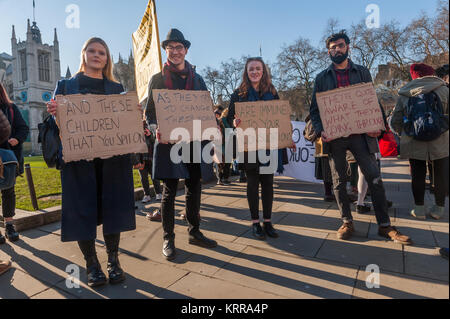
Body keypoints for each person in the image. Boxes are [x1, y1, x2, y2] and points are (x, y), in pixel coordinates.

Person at [46, 37, 136, 287]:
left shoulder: (117, 89)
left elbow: (124, 123)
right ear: (83, 54)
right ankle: (91, 264)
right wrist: (54, 113)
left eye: (102, 52)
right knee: (82, 210)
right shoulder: (64, 85)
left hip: (112, 161)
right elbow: (59, 126)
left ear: (106, 59)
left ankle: (113, 261)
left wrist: (134, 115)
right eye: (92, 51)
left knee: (112, 210)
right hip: (79, 160)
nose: (97, 55)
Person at [309, 30, 412, 244]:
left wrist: (379, 126)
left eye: (339, 45)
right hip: (335, 137)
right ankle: (347, 221)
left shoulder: (362, 72)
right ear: (328, 51)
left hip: (361, 136)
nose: (336, 49)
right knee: (339, 182)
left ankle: (385, 226)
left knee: (374, 177)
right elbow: (315, 111)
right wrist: (321, 130)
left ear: (348, 47)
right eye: (332, 47)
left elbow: (371, 101)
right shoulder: (321, 78)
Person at [145, 29, 217, 261]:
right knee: (169, 191)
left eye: (179, 48)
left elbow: (205, 107)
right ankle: (168, 237)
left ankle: (194, 231)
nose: (175, 52)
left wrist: (212, 128)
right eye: (171, 48)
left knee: (194, 187)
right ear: (166, 51)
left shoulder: (198, 79)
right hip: (169, 143)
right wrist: (158, 129)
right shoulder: (157, 79)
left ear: (186, 50)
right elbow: (150, 113)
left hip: (195, 141)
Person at [227, 57, 290, 240]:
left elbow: (281, 117)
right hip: (249, 146)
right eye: (251, 69)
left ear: (263, 71)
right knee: (253, 184)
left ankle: (268, 221)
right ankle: (255, 223)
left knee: (268, 184)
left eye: (258, 68)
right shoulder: (238, 94)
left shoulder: (271, 91)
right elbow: (228, 118)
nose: (254, 72)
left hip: (269, 145)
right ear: (246, 72)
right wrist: (234, 122)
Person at [391, 63, 449, 221]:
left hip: (414, 140)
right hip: (441, 140)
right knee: (440, 175)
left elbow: (395, 120)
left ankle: (419, 209)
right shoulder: (444, 89)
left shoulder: (406, 93)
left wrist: (404, 132)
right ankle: (438, 208)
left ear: (413, 76)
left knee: (418, 175)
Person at [0, 83, 29, 243]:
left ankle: (9, 225)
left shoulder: (11, 108)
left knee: (8, 191)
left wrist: (16, 139)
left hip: (8, 158)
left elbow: (23, 128)